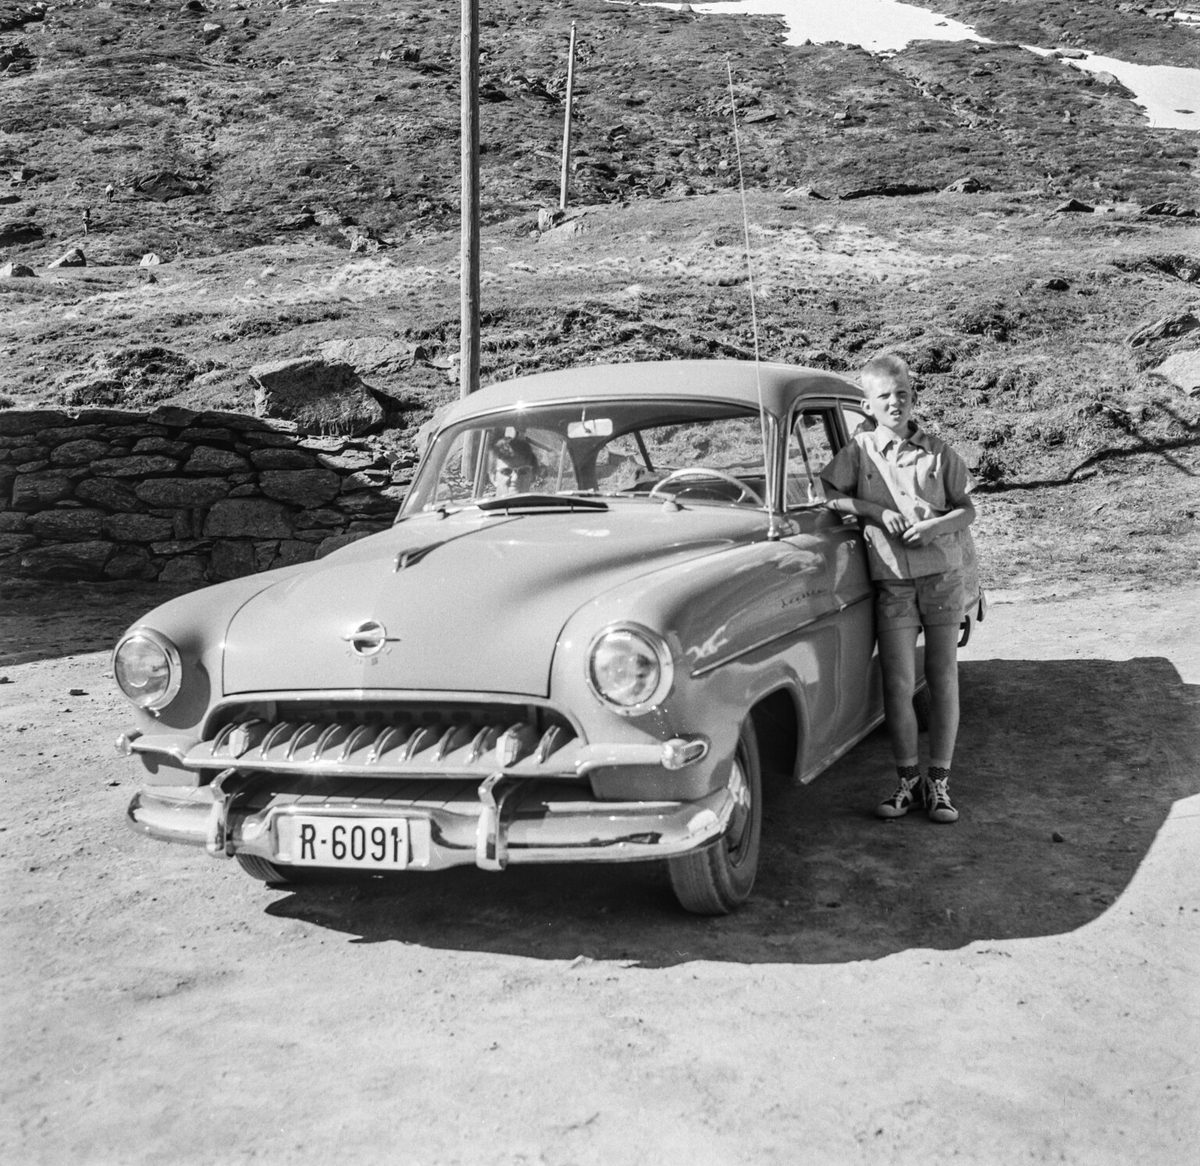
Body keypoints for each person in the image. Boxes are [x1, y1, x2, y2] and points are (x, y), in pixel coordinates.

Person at [820, 354, 976, 823]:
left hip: (941, 576)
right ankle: (907, 779)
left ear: (912, 396)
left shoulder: (939, 451)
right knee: (898, 682)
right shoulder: (860, 451)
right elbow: (831, 495)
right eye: (884, 396)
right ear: (868, 404)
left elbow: (966, 509)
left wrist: (935, 528)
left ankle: (940, 782)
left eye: (902, 393)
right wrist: (872, 510)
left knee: (943, 675)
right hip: (892, 581)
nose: (895, 402)